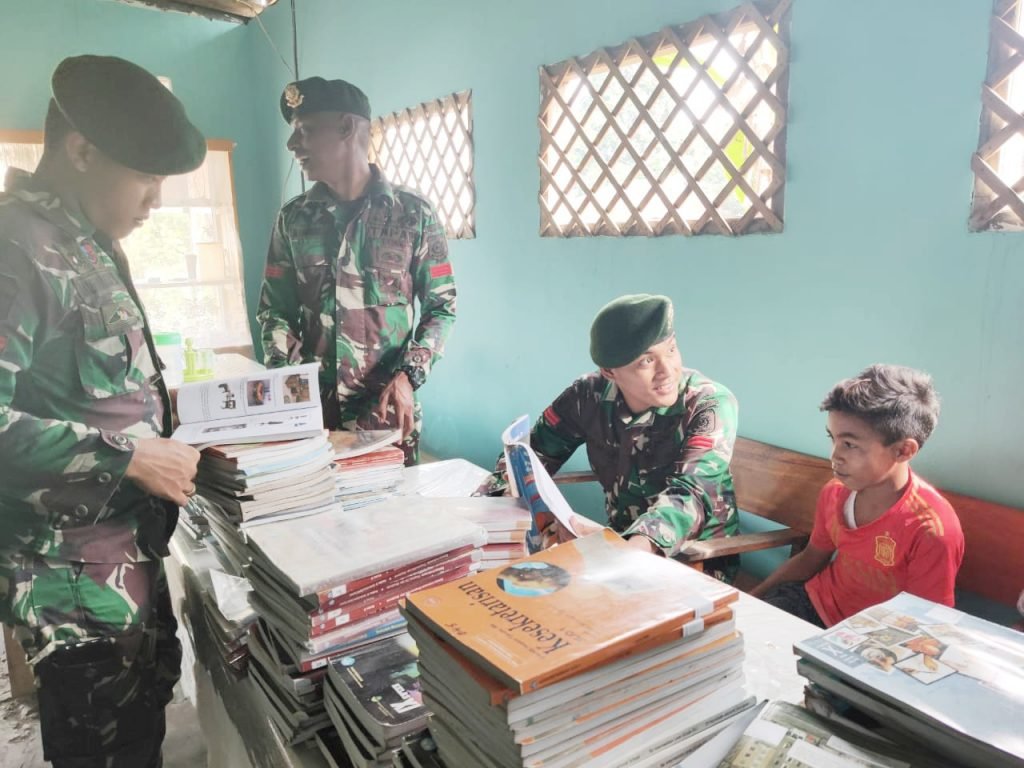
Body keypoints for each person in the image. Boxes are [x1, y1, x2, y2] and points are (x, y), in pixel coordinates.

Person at [0, 55, 205, 767]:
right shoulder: (17, 247)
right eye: (147, 177)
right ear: (82, 151)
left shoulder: (86, 243)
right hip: (74, 586)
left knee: (139, 737)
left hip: (127, 560)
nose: (155, 200)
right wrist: (133, 455)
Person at [257, 77, 457, 465]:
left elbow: (442, 308)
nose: (292, 144)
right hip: (314, 418)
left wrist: (409, 377)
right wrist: (289, 387)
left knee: (397, 505)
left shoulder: (413, 214)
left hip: (386, 416)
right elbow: (274, 312)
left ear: (347, 128)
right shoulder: (293, 219)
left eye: (305, 130)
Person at [478, 294, 740, 579]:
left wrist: (626, 551)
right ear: (609, 372)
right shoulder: (587, 395)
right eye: (646, 361)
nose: (667, 371)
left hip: (693, 562)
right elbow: (535, 451)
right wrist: (498, 499)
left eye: (671, 350)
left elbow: (692, 493)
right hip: (614, 547)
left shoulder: (708, 404)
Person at [751, 364, 964, 628]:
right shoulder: (835, 493)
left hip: (874, 635)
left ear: (903, 451)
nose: (835, 456)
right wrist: (750, 601)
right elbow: (812, 557)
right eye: (833, 439)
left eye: (850, 444)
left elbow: (927, 620)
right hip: (814, 603)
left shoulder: (931, 530)